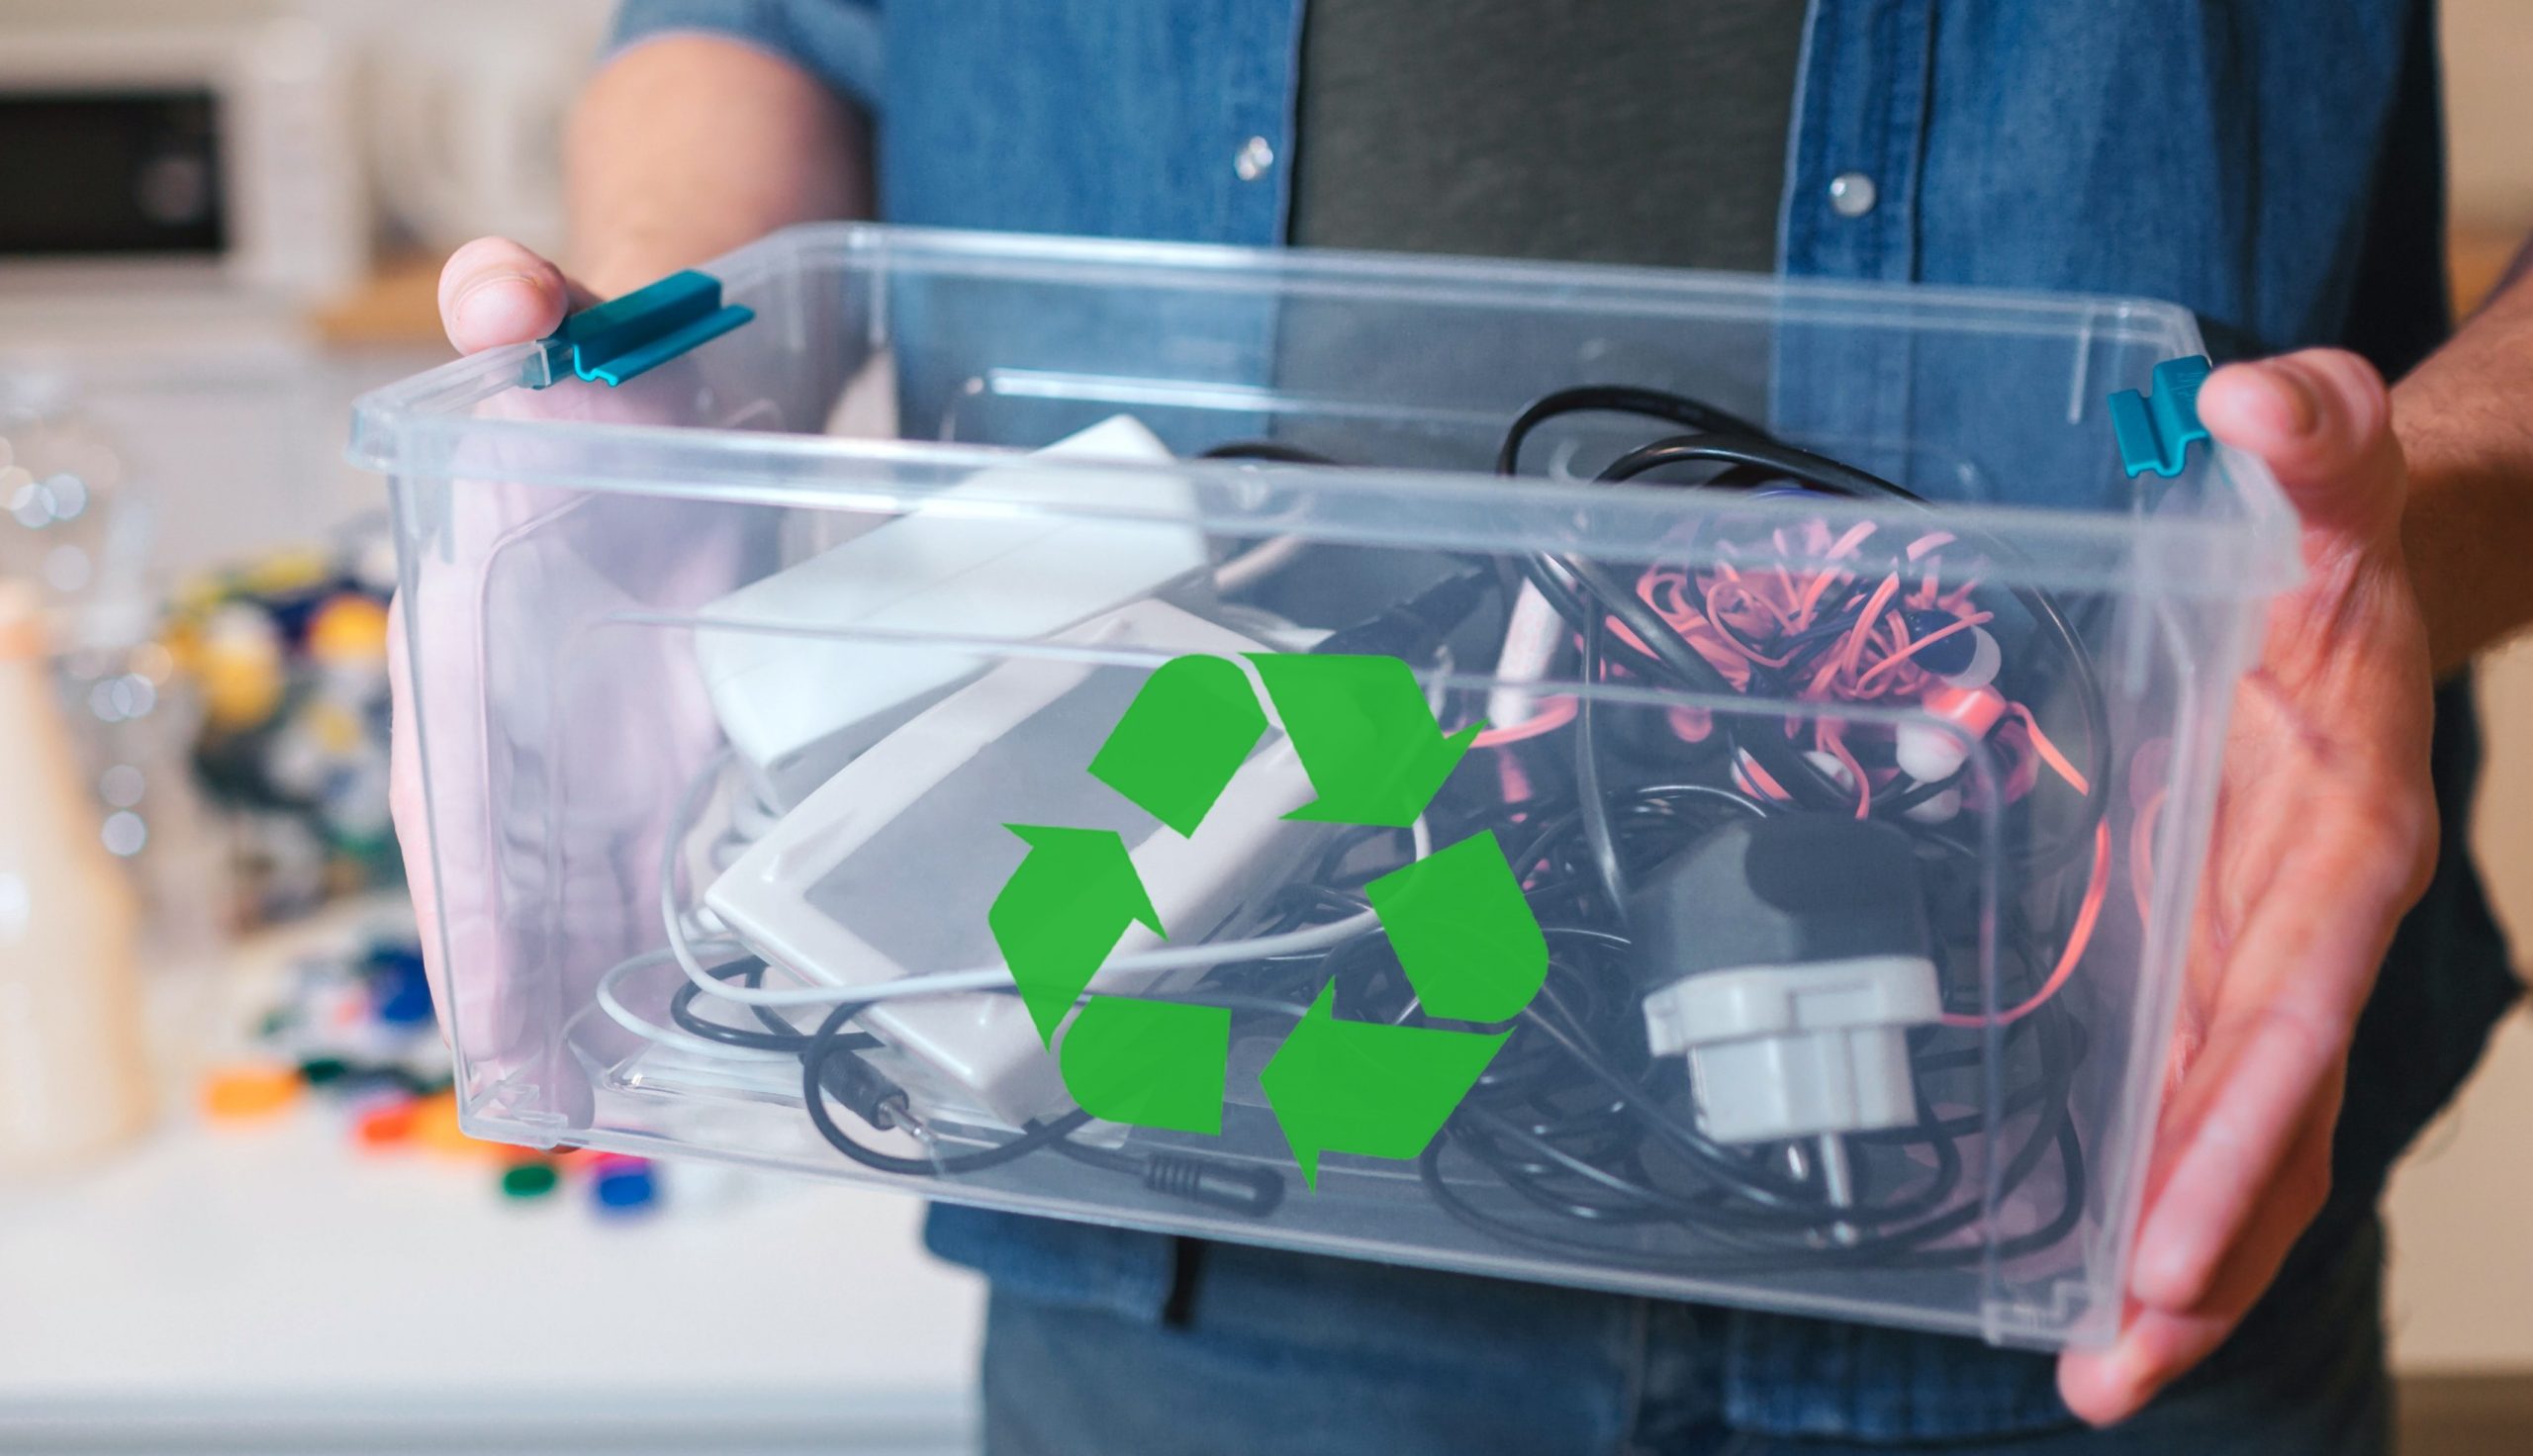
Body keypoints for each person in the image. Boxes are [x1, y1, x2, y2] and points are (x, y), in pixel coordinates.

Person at [408, 4, 2528, 1451]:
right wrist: (656, 389)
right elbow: (758, 19)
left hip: (2071, 1134)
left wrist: (2367, 541)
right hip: (1167, 1225)